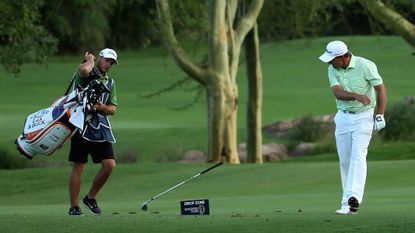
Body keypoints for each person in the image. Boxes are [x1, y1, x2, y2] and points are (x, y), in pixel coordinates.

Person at [318, 40, 387, 215]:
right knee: (345, 161)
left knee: (358, 155)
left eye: (332, 59)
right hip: (343, 118)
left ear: (343, 57)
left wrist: (379, 114)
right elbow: (337, 92)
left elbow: (380, 89)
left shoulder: (365, 65)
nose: (329, 62)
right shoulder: (332, 68)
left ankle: (353, 199)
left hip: (364, 117)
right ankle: (346, 205)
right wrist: (356, 95)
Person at [68, 48, 119, 215]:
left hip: (101, 128)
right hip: (81, 125)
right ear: (100, 58)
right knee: (79, 166)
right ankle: (74, 206)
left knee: (109, 164)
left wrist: (101, 107)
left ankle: (90, 198)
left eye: (112, 63)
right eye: (107, 60)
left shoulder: (110, 82)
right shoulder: (85, 74)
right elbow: (83, 70)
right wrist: (89, 59)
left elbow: (112, 109)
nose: (109, 64)